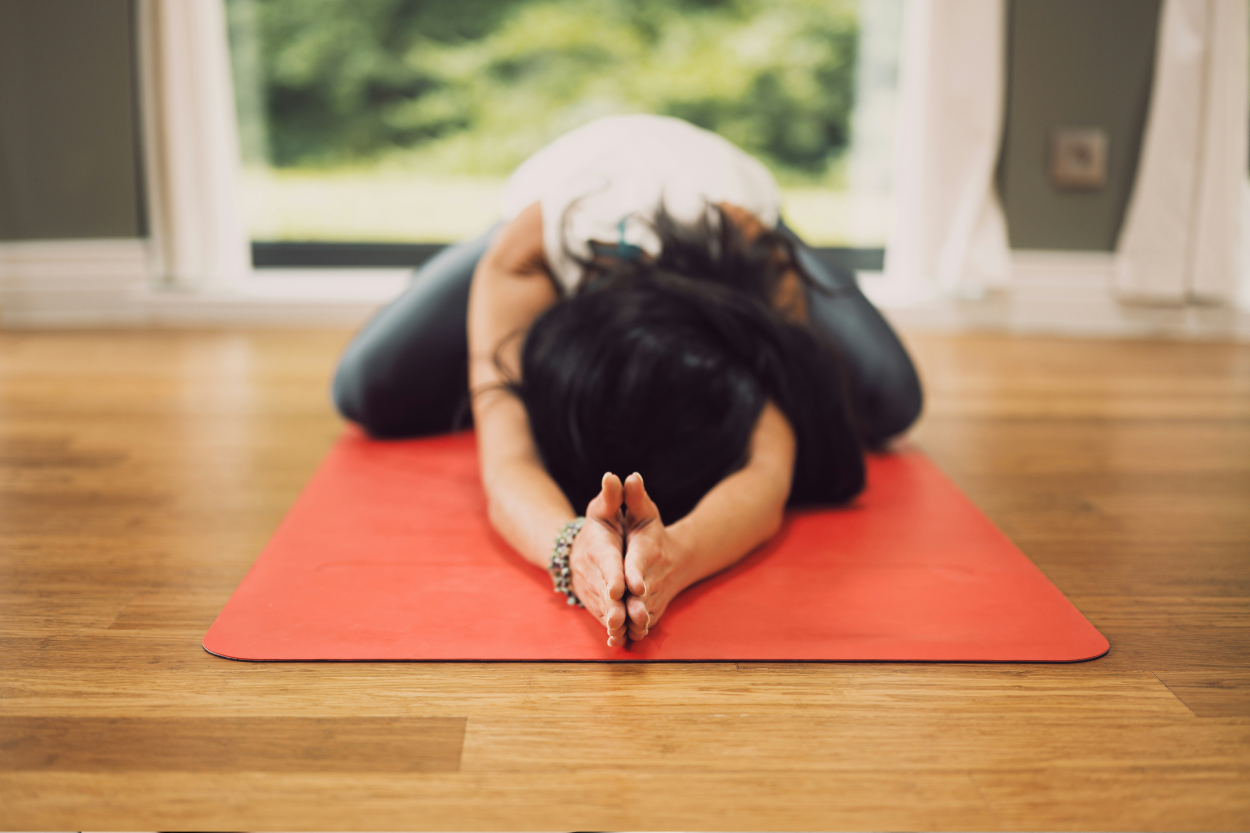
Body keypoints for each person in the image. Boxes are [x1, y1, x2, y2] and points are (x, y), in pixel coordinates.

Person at [332, 114, 922, 648]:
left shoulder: (751, 261)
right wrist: (572, 552)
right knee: (365, 390)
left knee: (891, 400)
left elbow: (770, 468)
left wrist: (674, 560)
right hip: (558, 183)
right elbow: (506, 461)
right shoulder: (526, 256)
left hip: (729, 194)